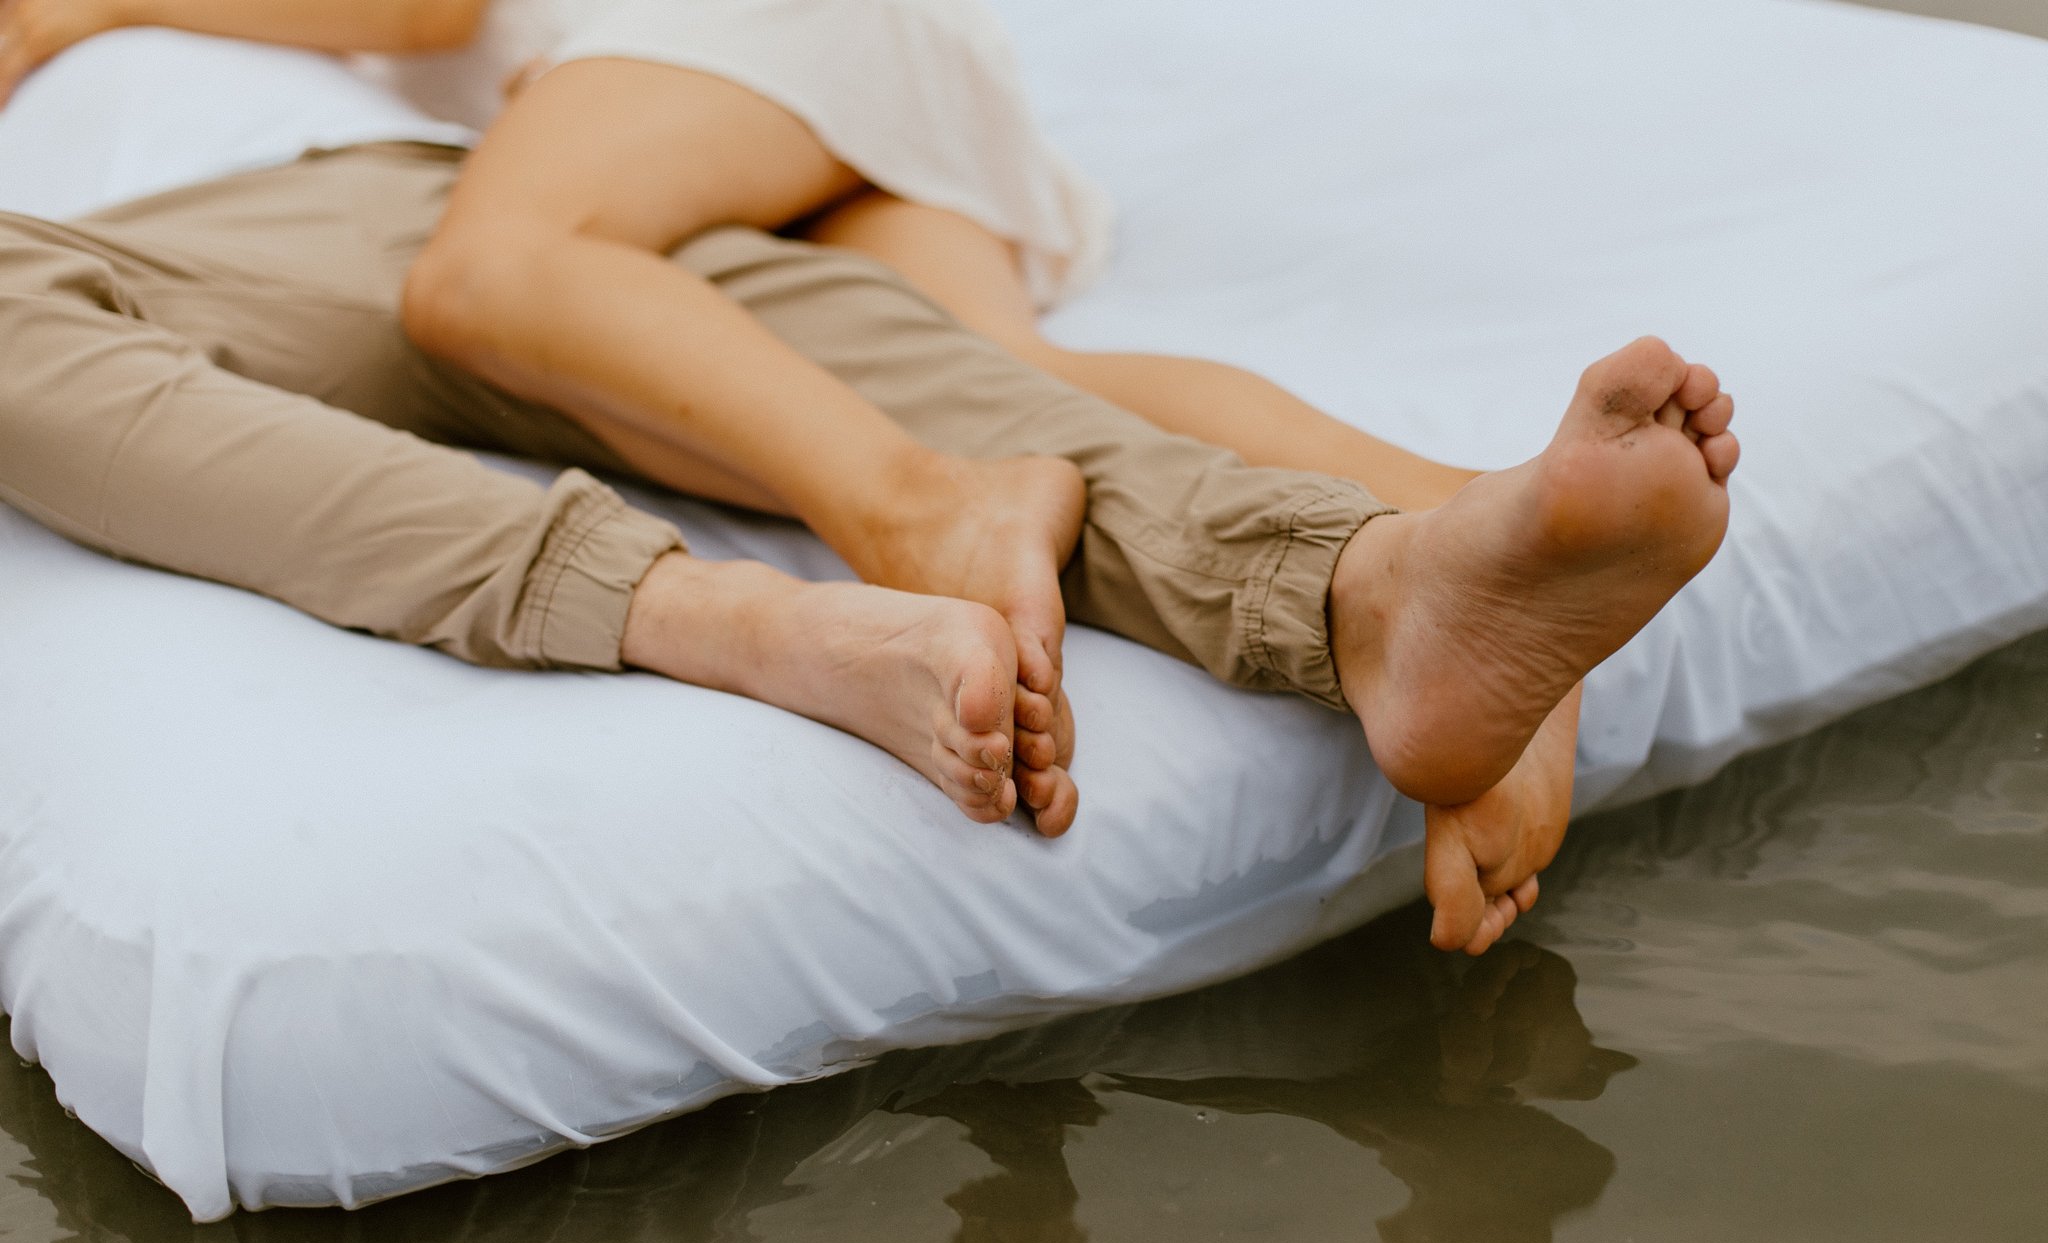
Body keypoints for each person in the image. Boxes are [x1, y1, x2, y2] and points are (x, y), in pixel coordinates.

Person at [0, 128, 1738, 955]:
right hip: (524, 191)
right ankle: (1393, 593)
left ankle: (755, 606)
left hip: (585, 129)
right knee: (988, 386)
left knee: (519, 286)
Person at [0, 0, 1489, 842]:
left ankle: (912, 511)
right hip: (789, 90)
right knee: (1023, 388)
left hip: (717, 41)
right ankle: (1453, 551)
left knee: (495, 268)